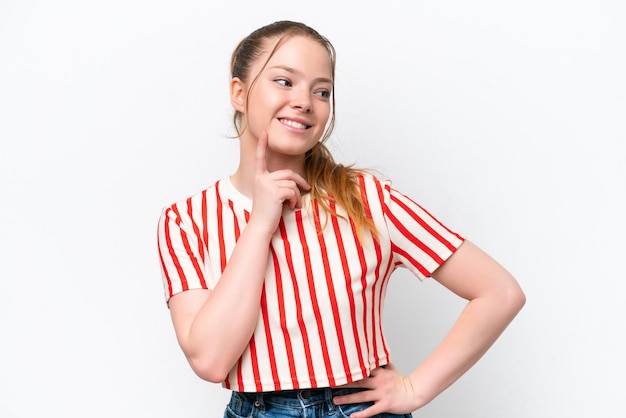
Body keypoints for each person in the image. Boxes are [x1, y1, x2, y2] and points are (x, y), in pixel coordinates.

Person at [157, 20, 525, 418]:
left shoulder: (368, 200)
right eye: (284, 81)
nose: (304, 101)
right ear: (239, 93)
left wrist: (414, 389)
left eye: (322, 91)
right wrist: (260, 224)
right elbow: (210, 361)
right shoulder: (186, 221)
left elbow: (500, 292)